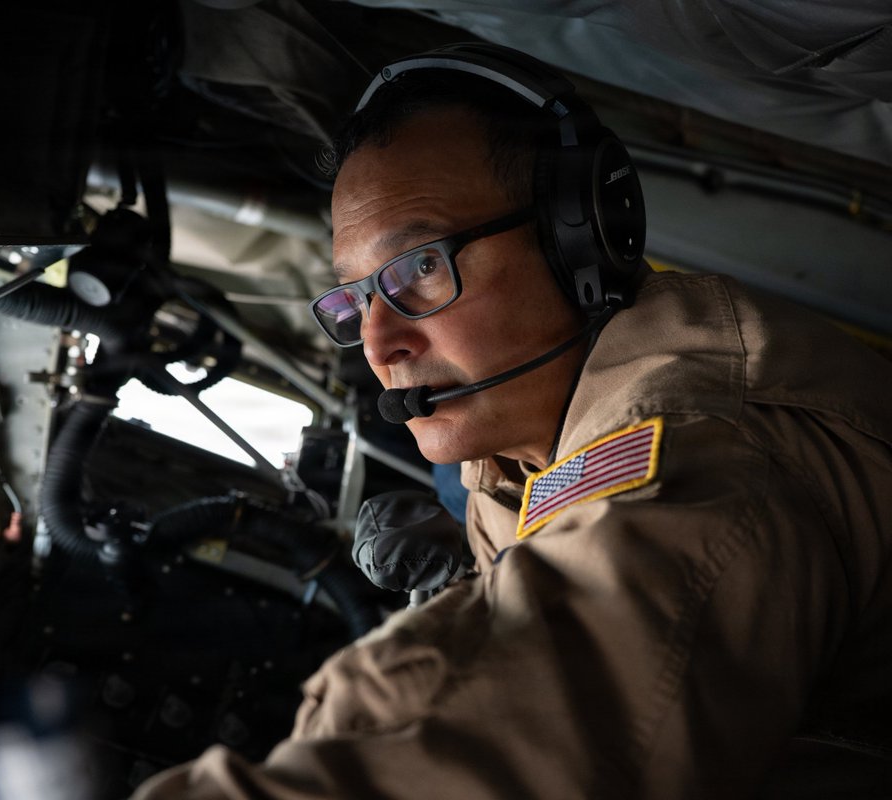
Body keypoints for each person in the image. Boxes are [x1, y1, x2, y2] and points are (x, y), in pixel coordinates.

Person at [132, 42, 892, 798]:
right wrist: (474, 583)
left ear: (581, 235)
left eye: (420, 267)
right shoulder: (519, 439)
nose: (377, 343)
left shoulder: (705, 442)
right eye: (358, 297)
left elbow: (533, 727)